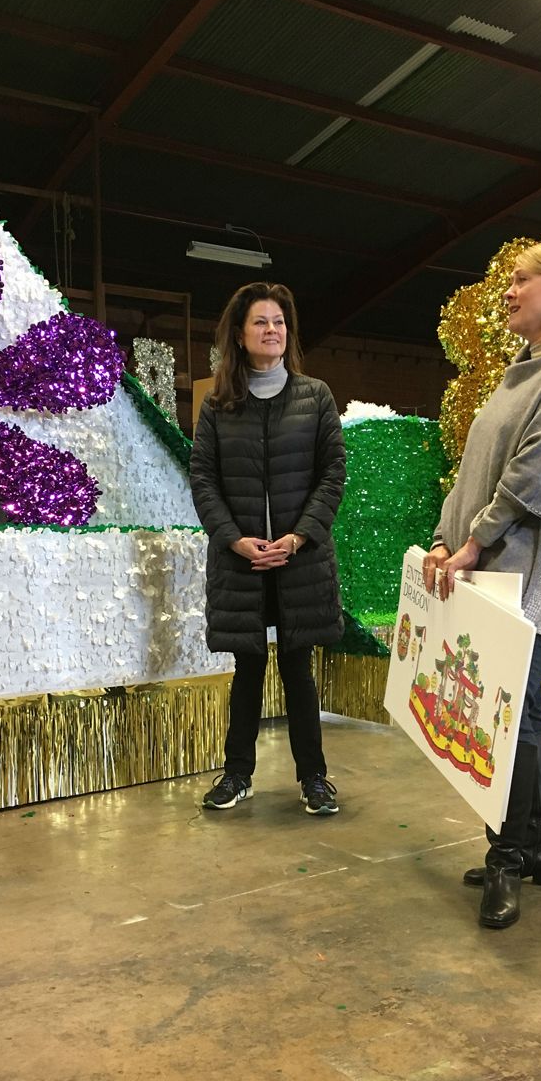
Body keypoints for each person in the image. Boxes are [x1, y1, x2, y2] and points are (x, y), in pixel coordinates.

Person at [423, 241, 541, 929]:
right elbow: (475, 466)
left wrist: (477, 537)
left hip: (536, 574)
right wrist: (449, 535)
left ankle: (507, 857)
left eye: (519, 280)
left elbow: (536, 470)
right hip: (498, 566)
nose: (506, 292)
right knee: (523, 710)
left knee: (504, 715)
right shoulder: (522, 372)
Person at [190, 281, 346, 815]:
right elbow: (203, 481)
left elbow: (332, 476)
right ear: (239, 334)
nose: (271, 330)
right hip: (242, 565)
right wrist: (235, 540)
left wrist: (298, 536)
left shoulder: (315, 396)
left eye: (279, 322)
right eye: (260, 322)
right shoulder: (217, 403)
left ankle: (315, 777)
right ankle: (237, 774)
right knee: (248, 670)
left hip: (299, 561)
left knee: (299, 670)